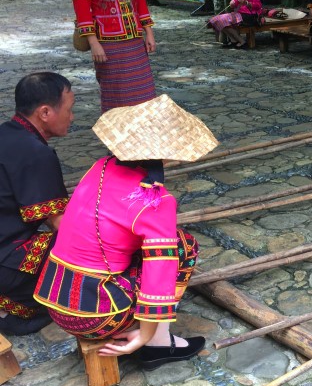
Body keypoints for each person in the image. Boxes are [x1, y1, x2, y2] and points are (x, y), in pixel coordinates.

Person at [34, 95, 218, 370]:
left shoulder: (101, 167)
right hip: (96, 317)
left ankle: (149, 332)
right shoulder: (156, 201)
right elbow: (160, 271)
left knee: (149, 246)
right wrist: (143, 335)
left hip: (55, 300)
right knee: (182, 247)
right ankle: (157, 344)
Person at [0, 73, 74, 336]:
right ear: (45, 112)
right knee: (84, 250)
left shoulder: (5, 133)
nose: (72, 117)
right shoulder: (36, 153)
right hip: (6, 265)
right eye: (69, 110)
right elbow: (59, 224)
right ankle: (16, 307)